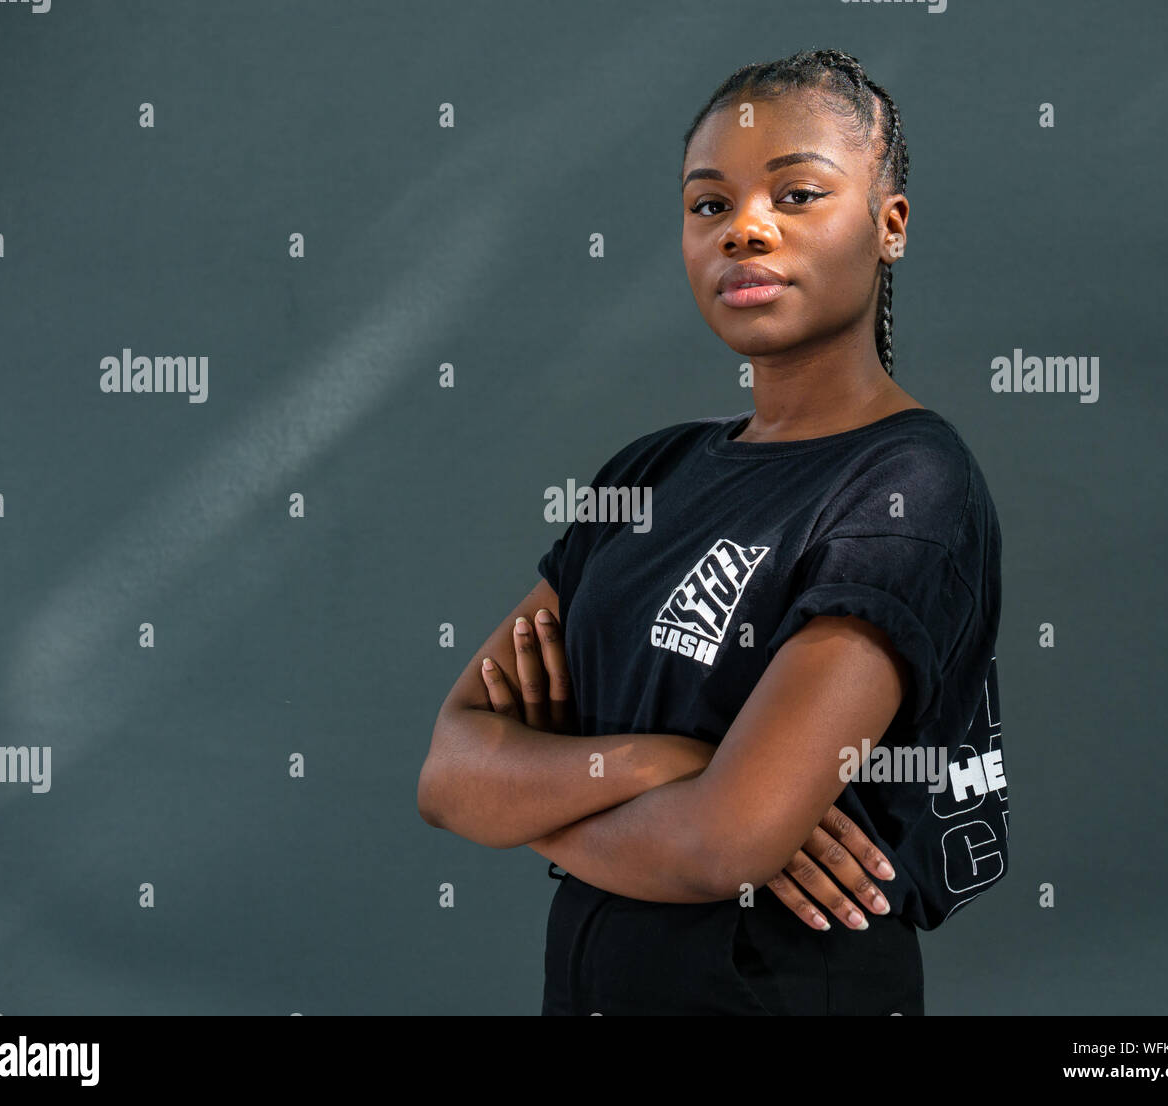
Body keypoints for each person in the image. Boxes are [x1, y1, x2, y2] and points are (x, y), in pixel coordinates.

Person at [418, 48, 1007, 1015]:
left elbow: (726, 843)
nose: (746, 229)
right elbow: (450, 770)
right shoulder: (649, 474)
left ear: (889, 225)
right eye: (709, 205)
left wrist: (535, 806)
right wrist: (668, 763)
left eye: (799, 194)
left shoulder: (910, 484)